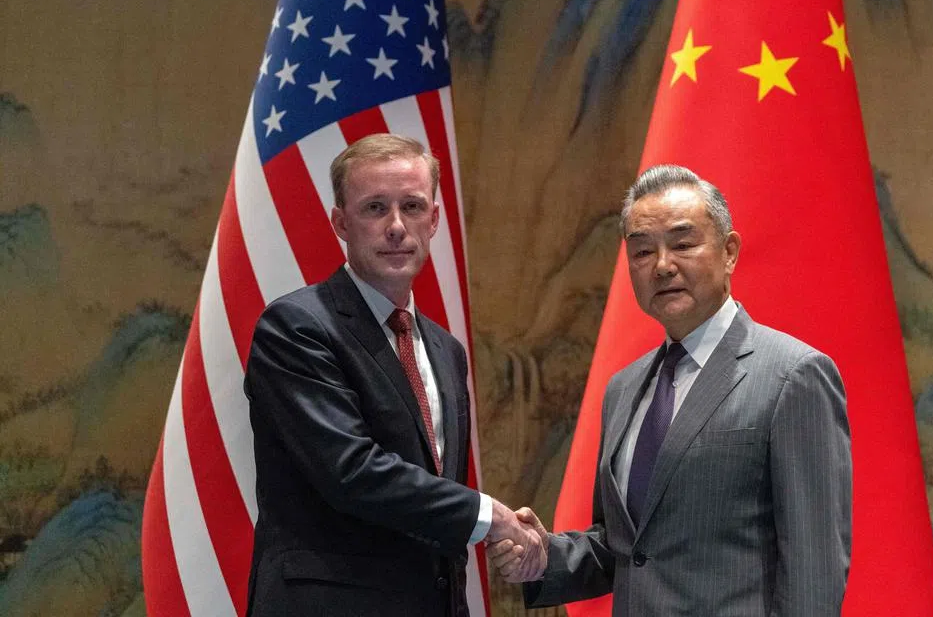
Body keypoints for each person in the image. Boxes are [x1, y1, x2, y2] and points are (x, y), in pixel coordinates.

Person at [492, 164, 852, 616]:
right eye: (642, 252)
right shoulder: (623, 389)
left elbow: (813, 570)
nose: (662, 266)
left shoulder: (793, 375)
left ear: (729, 252)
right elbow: (628, 548)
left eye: (683, 244)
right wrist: (545, 557)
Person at [244, 133, 544, 617]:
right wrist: (490, 517)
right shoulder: (296, 327)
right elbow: (352, 472)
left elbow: (433, 504)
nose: (397, 227)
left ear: (436, 219)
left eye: (412, 206)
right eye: (375, 208)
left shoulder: (447, 351)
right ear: (341, 223)